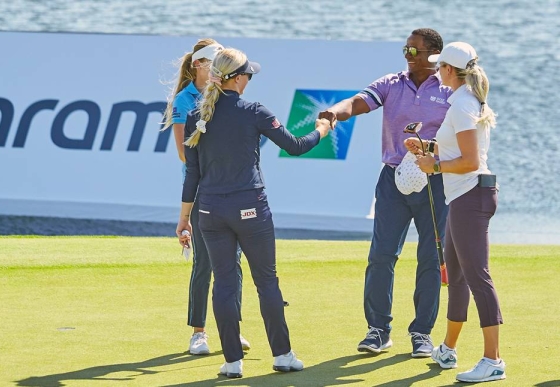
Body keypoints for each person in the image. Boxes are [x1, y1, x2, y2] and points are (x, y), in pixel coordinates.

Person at [176, 47, 331, 378]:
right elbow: (295, 146)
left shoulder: (196, 115)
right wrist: (322, 130)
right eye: (248, 74)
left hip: (210, 212)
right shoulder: (253, 110)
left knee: (225, 283)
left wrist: (183, 219)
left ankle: (232, 362)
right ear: (239, 78)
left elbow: (193, 174)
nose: (249, 79)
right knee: (266, 281)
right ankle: (283, 355)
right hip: (250, 209)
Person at [318, 28, 453, 357]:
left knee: (431, 258)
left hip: (435, 182)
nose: (407, 55)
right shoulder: (392, 83)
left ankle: (422, 333)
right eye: (405, 49)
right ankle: (378, 330)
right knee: (381, 256)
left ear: (434, 56)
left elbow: (465, 133)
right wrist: (335, 112)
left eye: (414, 50)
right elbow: (357, 102)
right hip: (393, 178)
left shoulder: (450, 90)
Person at [408, 41, 505, 383]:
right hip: (466, 195)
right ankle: (448, 348)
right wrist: (429, 148)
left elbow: (469, 161)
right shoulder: (464, 101)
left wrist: (433, 165)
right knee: (457, 274)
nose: (435, 71)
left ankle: (493, 359)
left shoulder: (462, 103)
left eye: (439, 66)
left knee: (477, 275)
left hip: (471, 196)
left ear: (450, 70)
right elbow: (460, 150)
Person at [162, 38, 249, 355]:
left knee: (234, 262)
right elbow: (185, 154)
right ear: (197, 65)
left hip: (232, 188)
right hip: (200, 191)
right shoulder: (185, 101)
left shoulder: (228, 95)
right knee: (205, 263)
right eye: (212, 61)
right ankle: (199, 333)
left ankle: (232, 328)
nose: (218, 68)